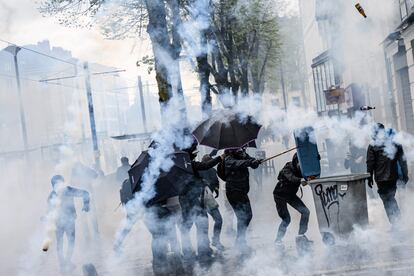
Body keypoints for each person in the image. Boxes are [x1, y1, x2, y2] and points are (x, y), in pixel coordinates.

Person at [180, 143, 224, 261]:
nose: (194, 155)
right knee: (202, 225)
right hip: (194, 200)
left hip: (185, 202)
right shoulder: (189, 165)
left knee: (185, 227)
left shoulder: (178, 167)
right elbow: (205, 165)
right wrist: (220, 158)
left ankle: (188, 252)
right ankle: (203, 253)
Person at [367, 123, 409, 226]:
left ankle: (397, 223)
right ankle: (397, 223)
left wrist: (369, 177)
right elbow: (403, 160)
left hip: (381, 179)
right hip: (392, 177)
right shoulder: (394, 142)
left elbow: (370, 163)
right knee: (390, 198)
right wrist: (405, 174)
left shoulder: (372, 145)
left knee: (388, 200)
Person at [47, 175, 90, 270]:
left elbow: (85, 193)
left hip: (67, 221)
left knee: (66, 242)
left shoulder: (63, 191)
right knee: (65, 243)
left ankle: (65, 262)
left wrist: (86, 204)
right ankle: (64, 262)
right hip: (61, 222)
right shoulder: (62, 192)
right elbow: (50, 210)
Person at [223, 147, 261, 250]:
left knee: (247, 216)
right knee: (243, 216)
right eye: (239, 149)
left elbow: (251, 162)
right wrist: (249, 161)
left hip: (242, 191)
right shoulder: (228, 159)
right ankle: (240, 242)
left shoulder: (242, 155)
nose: (241, 150)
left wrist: (255, 161)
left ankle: (240, 241)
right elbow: (238, 164)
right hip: (233, 192)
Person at [273, 153, 312, 246]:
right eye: (299, 163)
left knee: (305, 212)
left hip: (290, 195)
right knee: (286, 219)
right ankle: (278, 240)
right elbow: (291, 178)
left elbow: (312, 174)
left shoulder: (303, 170)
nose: (300, 165)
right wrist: (300, 180)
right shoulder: (287, 168)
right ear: (295, 161)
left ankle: (301, 235)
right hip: (280, 195)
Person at [199, 154, 224, 251]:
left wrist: (216, 189)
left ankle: (215, 241)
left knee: (218, 220)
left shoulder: (213, 171)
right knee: (204, 223)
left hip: (209, 198)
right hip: (201, 199)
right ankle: (206, 246)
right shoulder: (198, 171)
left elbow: (216, 182)